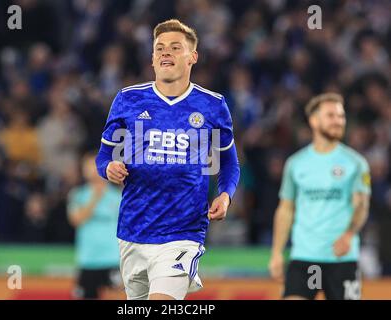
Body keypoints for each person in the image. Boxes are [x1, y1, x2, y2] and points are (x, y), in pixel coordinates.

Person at [95, 19, 240, 300]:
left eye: (175, 48)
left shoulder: (212, 105)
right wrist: (109, 168)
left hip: (183, 231)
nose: (165, 53)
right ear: (152, 58)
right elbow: (103, 157)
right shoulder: (128, 100)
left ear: (192, 57)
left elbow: (229, 163)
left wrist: (225, 195)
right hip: (133, 229)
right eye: (159, 48)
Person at [269, 93, 371, 300]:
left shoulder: (356, 163)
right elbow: (285, 209)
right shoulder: (295, 164)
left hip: (342, 258)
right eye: (331, 116)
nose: (338, 121)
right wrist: (277, 252)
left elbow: (361, 205)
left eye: (341, 116)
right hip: (305, 257)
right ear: (314, 121)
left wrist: (349, 234)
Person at [67, 152, 121, 299]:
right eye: (88, 166)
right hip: (87, 260)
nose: (93, 170)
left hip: (113, 259)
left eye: (95, 165)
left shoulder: (118, 196)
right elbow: (76, 220)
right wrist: (95, 197)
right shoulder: (77, 194)